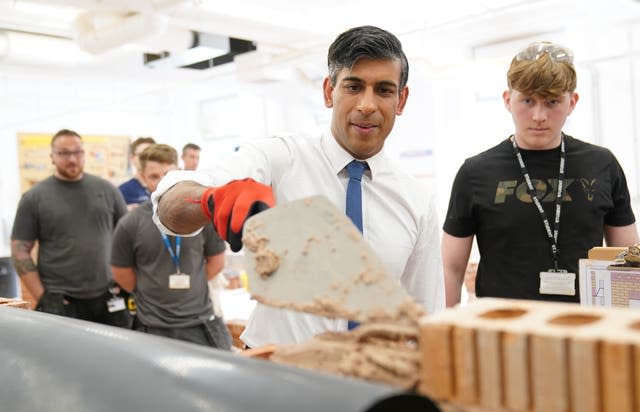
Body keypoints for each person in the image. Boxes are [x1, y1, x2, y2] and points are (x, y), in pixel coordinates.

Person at [152, 25, 445, 348]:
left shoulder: (416, 201)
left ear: (401, 100)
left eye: (384, 90)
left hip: (370, 378)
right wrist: (209, 199)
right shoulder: (280, 159)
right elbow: (169, 206)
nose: (366, 104)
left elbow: (425, 313)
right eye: (353, 86)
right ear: (328, 91)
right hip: (276, 376)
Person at [442, 41, 639, 307]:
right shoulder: (475, 172)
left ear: (572, 102)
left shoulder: (602, 164)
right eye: (527, 100)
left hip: (584, 329)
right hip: (502, 333)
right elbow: (451, 269)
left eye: (552, 101)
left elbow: (628, 264)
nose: (538, 115)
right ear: (507, 100)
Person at [111, 144, 231, 349]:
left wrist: (192, 284)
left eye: (167, 174)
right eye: (154, 176)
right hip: (152, 326)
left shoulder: (201, 215)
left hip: (200, 323)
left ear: (179, 172)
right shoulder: (130, 223)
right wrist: (150, 290)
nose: (161, 183)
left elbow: (217, 262)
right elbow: (121, 272)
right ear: (142, 177)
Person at [10, 129, 130, 327]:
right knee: (65, 358)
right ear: (52, 156)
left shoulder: (107, 190)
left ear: (84, 154)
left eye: (77, 152)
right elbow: (20, 251)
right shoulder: (34, 197)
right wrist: (43, 298)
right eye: (64, 153)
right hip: (61, 300)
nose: (72, 159)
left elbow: (126, 240)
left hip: (108, 297)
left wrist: (125, 282)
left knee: (111, 356)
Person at [118, 137, 156, 210]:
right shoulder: (122, 191)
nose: (147, 159)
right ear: (132, 158)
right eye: (142, 155)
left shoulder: (167, 188)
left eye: (152, 155)